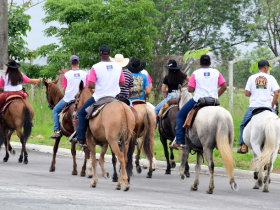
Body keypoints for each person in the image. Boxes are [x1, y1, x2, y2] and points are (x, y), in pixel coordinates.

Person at [70, 44, 125, 146]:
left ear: (99, 54)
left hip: (99, 97)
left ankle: (80, 138)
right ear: (110, 54)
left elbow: (90, 85)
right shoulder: (118, 66)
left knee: (81, 112)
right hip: (114, 98)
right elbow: (122, 83)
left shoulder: (95, 67)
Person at [170, 55, 227, 150]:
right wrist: (216, 96)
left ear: (200, 63)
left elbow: (191, 89)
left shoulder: (195, 73)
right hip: (213, 101)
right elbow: (224, 86)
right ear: (210, 63)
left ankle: (180, 142)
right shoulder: (216, 72)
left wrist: (189, 88)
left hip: (198, 100)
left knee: (180, 115)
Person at [237, 59, 280, 154]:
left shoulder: (251, 78)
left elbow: (247, 93)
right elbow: (276, 94)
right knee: (278, 123)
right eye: (268, 67)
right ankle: (279, 145)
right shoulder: (271, 78)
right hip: (267, 107)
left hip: (253, 107)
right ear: (265, 67)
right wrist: (272, 104)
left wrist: (255, 93)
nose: (268, 69)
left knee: (243, 124)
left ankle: (243, 145)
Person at [50, 55, 88, 139]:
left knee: (55, 110)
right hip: (81, 99)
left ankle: (56, 130)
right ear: (78, 63)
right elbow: (87, 87)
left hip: (68, 99)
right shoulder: (85, 74)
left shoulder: (66, 74)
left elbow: (64, 89)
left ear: (71, 63)